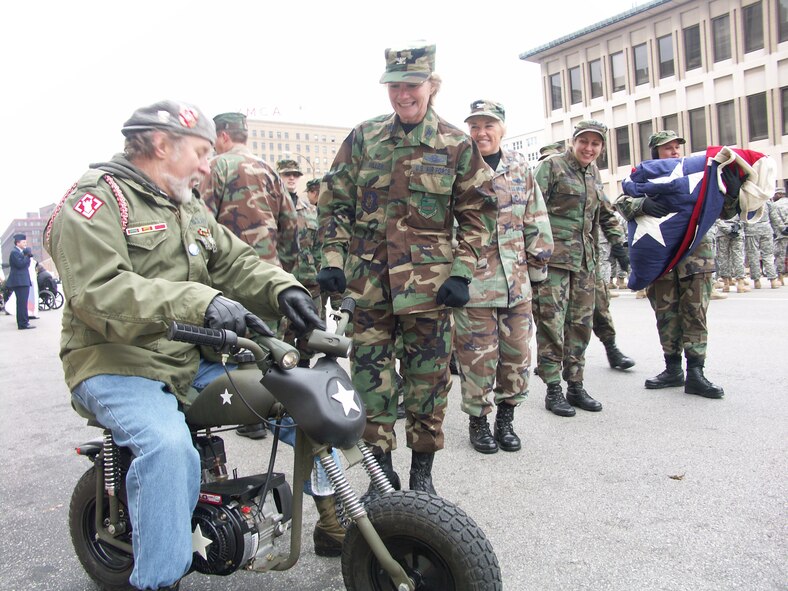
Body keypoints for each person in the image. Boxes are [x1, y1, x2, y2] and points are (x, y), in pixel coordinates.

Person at [43, 100, 324, 591]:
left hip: (185, 359)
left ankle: (344, 514)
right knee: (169, 447)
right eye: (198, 151)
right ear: (159, 144)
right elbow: (96, 292)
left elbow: (234, 262)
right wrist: (201, 301)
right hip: (113, 363)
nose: (205, 163)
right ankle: (158, 580)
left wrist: (284, 287)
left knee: (295, 397)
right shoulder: (96, 200)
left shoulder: (185, 203)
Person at [317, 43, 496, 493]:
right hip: (368, 287)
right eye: (394, 86)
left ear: (431, 87)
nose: (402, 95)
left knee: (428, 384)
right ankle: (381, 474)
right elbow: (334, 202)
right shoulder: (364, 137)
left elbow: (479, 214)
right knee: (369, 380)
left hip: (430, 291)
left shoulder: (456, 144)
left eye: (411, 85)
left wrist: (462, 272)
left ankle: (421, 476)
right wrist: (333, 260)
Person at [455, 99, 553, 454]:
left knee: (517, 357)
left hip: (516, 282)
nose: (482, 132)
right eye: (475, 126)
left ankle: (506, 420)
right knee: (477, 357)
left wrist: (538, 264)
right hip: (474, 283)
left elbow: (535, 217)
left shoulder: (519, 168)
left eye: (489, 125)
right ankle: (478, 422)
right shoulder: (459, 167)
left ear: (502, 128)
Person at [615, 130, 739, 399]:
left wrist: (731, 192)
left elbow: (723, 210)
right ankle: (672, 369)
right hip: (662, 260)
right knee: (666, 314)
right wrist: (642, 203)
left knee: (695, 314)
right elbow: (622, 203)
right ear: (655, 153)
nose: (674, 152)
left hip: (696, 257)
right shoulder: (644, 177)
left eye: (676, 147)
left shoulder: (698, 177)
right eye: (667, 148)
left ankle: (696, 372)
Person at [201, 111, 299, 441]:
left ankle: (250, 414)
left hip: (230, 273)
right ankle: (275, 410)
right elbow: (290, 224)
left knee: (236, 345)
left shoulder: (216, 167)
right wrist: (282, 268)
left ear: (224, 136)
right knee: (268, 343)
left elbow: (200, 222)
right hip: (268, 273)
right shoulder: (269, 170)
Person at [532, 120, 629, 417]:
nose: (589, 148)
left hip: (585, 263)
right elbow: (529, 209)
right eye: (584, 142)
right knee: (551, 326)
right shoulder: (552, 167)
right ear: (572, 142)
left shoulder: (593, 173)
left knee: (580, 325)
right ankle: (552, 390)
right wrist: (533, 255)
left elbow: (605, 213)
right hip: (553, 263)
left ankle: (575, 385)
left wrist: (619, 245)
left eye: (595, 144)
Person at [277, 159, 322, 366]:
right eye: (287, 174)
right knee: (281, 335)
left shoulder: (310, 210)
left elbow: (319, 245)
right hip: (282, 282)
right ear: (279, 176)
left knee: (310, 335)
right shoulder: (270, 206)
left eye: (295, 174)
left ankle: (304, 372)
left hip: (309, 283)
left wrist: (320, 273)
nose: (292, 178)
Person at [591, 201, 636, 370]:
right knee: (551, 312)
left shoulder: (590, 175)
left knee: (599, 304)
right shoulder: (545, 173)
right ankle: (550, 360)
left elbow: (606, 213)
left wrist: (617, 243)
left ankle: (611, 349)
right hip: (554, 257)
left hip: (587, 255)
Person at [743, 195, 780, 289]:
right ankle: (773, 280)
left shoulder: (748, 201)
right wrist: (780, 230)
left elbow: (742, 217)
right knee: (768, 255)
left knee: (753, 255)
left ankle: (757, 281)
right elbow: (774, 218)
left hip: (751, 229)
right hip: (766, 230)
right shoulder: (766, 202)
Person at [714, 215, 750, 293]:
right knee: (738, 257)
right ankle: (740, 284)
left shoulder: (719, 202)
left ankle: (726, 284)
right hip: (737, 231)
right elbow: (745, 217)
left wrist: (727, 229)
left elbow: (715, 217)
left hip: (722, 233)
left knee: (723, 257)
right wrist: (737, 226)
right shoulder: (739, 202)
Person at [7, 233, 34, 330]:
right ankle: (23, 323)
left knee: (23, 303)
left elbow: (25, 265)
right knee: (22, 303)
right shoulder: (15, 252)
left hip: (23, 281)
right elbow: (20, 264)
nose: (25, 243)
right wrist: (27, 255)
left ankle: (24, 322)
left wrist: (27, 256)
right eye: (24, 242)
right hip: (19, 281)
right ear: (17, 243)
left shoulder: (20, 252)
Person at [771, 186, 788, 284]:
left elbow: (775, 219)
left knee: (780, 255)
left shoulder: (775, 205)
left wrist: (783, 228)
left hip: (782, 234)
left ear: (778, 194)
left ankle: (780, 277)